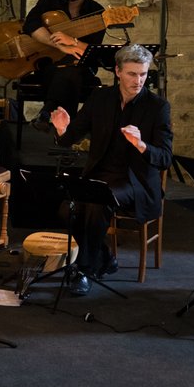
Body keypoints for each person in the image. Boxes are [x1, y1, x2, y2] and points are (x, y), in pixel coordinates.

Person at [48, 43, 172, 296]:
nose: (139, 81)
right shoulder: (100, 98)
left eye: (143, 74)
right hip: (100, 175)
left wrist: (141, 144)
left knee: (97, 203)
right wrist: (61, 129)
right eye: (132, 74)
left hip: (135, 181)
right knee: (66, 209)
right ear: (118, 71)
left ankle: (85, 270)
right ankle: (104, 258)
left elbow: (165, 158)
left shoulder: (157, 106)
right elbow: (71, 136)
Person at [23, 0, 106, 130]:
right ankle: (68, 130)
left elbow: (92, 51)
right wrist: (59, 45)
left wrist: (72, 41)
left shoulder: (97, 12)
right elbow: (30, 24)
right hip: (49, 65)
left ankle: (47, 112)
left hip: (82, 68)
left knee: (72, 69)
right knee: (69, 74)